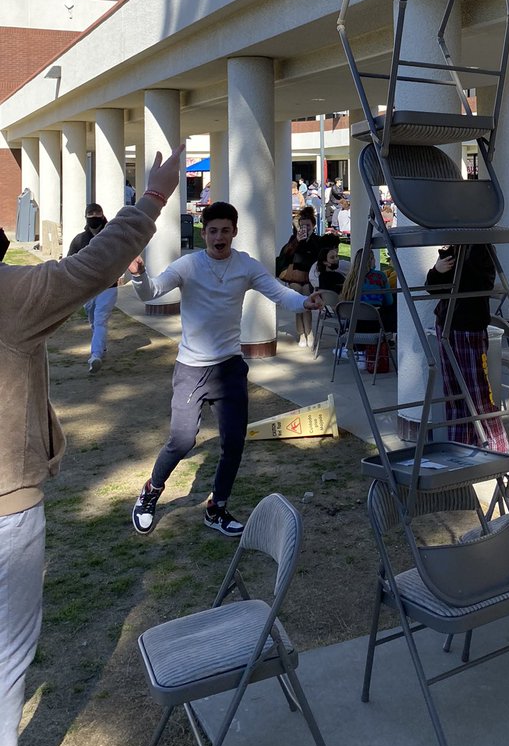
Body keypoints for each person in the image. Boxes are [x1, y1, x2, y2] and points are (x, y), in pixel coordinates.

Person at [0, 144, 183, 746]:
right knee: (7, 660)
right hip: (6, 509)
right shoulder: (8, 297)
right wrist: (152, 198)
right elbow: (89, 269)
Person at [129, 201, 323, 539]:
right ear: (204, 233)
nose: (219, 237)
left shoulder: (245, 265)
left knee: (234, 442)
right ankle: (151, 491)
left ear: (234, 232)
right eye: (213, 231)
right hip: (191, 368)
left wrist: (303, 302)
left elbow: (278, 293)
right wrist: (138, 275)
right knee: (182, 440)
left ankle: (216, 508)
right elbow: (153, 290)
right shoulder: (189, 265)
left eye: (225, 231)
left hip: (230, 367)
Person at [426, 245, 509, 452]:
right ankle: (460, 447)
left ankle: (498, 449)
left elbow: (480, 284)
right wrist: (437, 270)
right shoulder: (454, 249)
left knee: (478, 394)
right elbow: (433, 288)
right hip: (447, 324)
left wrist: (455, 268)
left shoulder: (480, 248)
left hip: (469, 327)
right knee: (454, 393)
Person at [67, 204, 120, 374]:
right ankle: (101, 346)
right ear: (86, 216)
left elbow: (122, 256)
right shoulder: (79, 240)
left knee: (100, 320)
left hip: (108, 286)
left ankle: (95, 356)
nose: (94, 216)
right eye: (91, 213)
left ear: (103, 215)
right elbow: (70, 262)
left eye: (98, 213)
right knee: (92, 320)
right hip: (88, 289)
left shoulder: (112, 237)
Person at [277, 208, 320, 346]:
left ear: (313, 225)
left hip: (310, 277)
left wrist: (309, 240)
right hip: (295, 275)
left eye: (308, 225)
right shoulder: (294, 239)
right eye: (302, 225)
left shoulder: (317, 240)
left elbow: (319, 255)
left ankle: (309, 332)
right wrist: (296, 241)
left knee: (307, 302)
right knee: (298, 303)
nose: (305, 228)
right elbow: (285, 254)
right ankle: (301, 333)